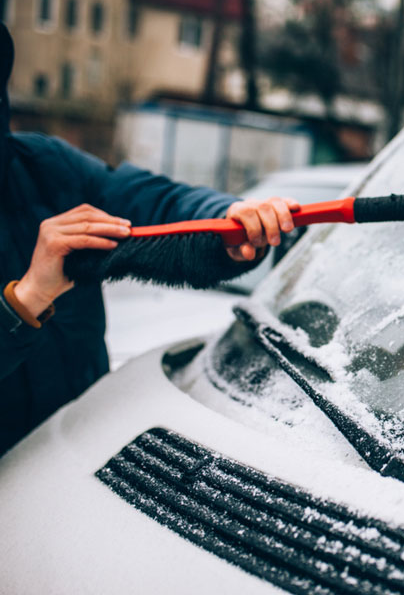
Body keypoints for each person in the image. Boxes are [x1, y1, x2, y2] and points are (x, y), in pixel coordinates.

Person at [0, 24, 297, 455]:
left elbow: (152, 203)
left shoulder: (45, 167)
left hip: (75, 456)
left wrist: (226, 221)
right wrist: (25, 299)